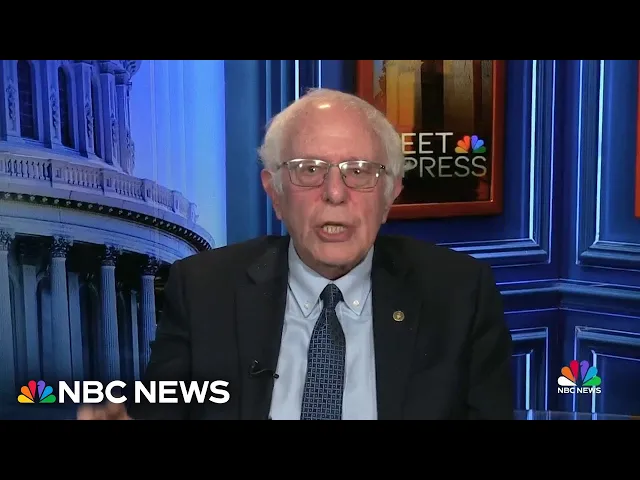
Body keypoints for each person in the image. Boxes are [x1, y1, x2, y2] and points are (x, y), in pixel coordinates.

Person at [78, 87, 514, 420]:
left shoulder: (460, 294)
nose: (335, 193)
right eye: (309, 170)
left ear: (389, 195)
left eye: (360, 171)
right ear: (275, 193)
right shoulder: (203, 288)